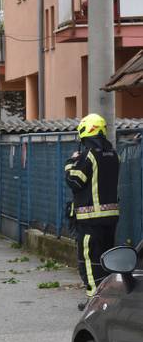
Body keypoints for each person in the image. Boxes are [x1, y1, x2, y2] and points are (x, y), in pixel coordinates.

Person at [65, 114, 120, 311]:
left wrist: (70, 164)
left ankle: (93, 302)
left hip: (90, 220)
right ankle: (108, 297)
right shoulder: (113, 154)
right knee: (107, 259)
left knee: (88, 261)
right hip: (110, 218)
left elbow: (75, 181)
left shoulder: (89, 155)